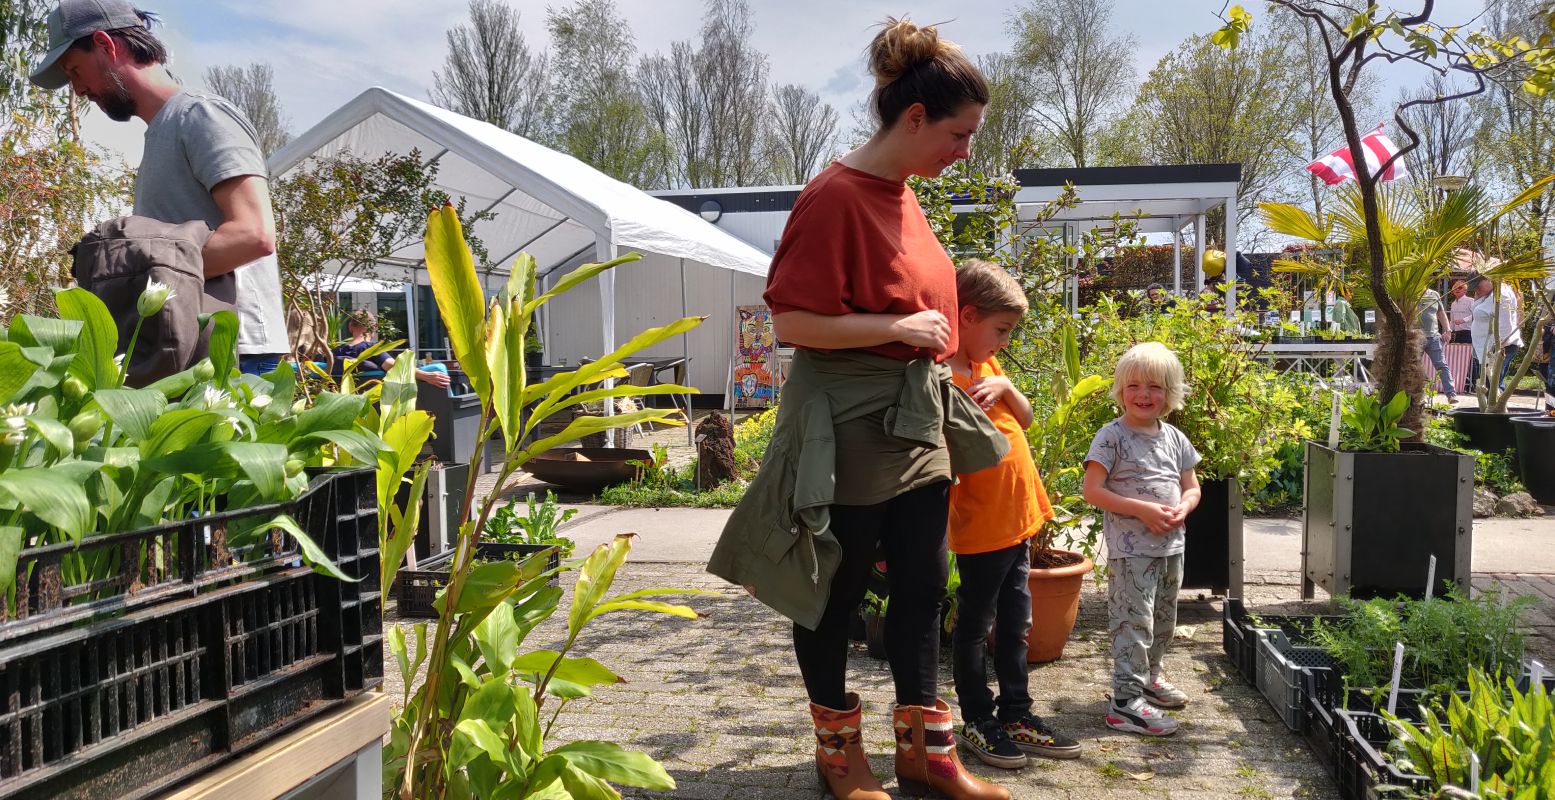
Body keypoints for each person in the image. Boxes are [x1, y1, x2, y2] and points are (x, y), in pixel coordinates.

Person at [708, 18, 1012, 800]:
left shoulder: (906, 197)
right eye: (958, 133)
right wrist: (894, 326)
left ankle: (925, 752)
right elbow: (790, 325)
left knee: (923, 584)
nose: (964, 150)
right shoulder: (834, 196)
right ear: (913, 118)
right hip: (844, 424)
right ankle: (840, 756)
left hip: (915, 421)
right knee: (834, 591)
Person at [32, 0, 288, 375]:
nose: (78, 89)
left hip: (232, 350)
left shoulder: (200, 115)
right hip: (187, 345)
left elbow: (253, 235)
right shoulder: (163, 131)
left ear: (105, 44)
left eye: (75, 70)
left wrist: (129, 281)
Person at [944, 261, 1080, 770]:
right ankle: (978, 718)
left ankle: (1017, 712)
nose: (1002, 341)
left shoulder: (986, 369)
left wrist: (1007, 390)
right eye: (1000, 330)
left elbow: (1024, 418)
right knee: (976, 625)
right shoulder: (943, 377)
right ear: (968, 314)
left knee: (1018, 623)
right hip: (982, 530)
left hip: (1018, 522)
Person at [1082, 342, 1201, 737]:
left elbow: (1192, 487)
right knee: (1133, 622)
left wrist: (1183, 508)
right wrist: (1142, 509)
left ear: (1170, 393)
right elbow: (1093, 491)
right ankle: (1124, 701)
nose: (1144, 395)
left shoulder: (1175, 438)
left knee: (1163, 620)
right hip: (1131, 552)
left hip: (1171, 546)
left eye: (1154, 387)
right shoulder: (1111, 437)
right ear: (1120, 390)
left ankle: (1151, 677)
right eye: (1134, 386)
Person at [333, 309, 451, 388]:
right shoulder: (371, 349)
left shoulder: (335, 353)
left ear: (350, 327)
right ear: (373, 328)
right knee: (439, 368)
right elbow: (394, 367)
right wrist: (426, 376)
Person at [1470, 276, 1523, 392]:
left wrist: (1498, 349)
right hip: (1489, 348)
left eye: (1478, 286)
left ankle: (1497, 409)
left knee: (1493, 385)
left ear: (1489, 280)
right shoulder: (1490, 293)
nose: (1477, 290)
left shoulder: (1502, 295)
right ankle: (1493, 408)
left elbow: (1505, 324)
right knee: (1491, 384)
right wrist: (1479, 296)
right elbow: (1476, 310)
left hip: (1500, 347)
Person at [1419, 287, 1456, 403]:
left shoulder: (1434, 294)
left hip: (1433, 336)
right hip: (1414, 337)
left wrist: (1448, 330)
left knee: (1441, 365)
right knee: (1413, 367)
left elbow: (1441, 313)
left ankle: (1451, 394)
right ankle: (1417, 396)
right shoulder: (1409, 291)